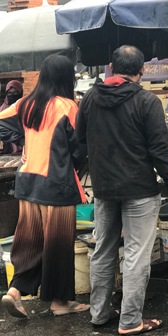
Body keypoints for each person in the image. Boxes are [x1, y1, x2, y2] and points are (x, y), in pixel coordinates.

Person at [76, 45, 168, 335]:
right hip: (139, 188)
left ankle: (99, 314)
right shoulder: (147, 101)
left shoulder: (90, 98)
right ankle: (130, 322)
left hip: (103, 187)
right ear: (142, 71)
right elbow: (160, 151)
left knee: (103, 250)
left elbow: (79, 139)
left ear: (111, 66)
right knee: (137, 254)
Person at [0, 55, 89, 318]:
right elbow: (80, 145)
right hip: (56, 183)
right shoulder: (67, 106)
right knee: (58, 244)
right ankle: (59, 303)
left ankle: (14, 292)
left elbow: (1, 122)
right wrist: (73, 160)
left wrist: (24, 140)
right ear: (66, 78)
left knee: (30, 241)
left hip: (27, 181)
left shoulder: (25, 103)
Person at [0, 80, 24, 154]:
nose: (12, 95)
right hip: (7, 146)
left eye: (15, 92)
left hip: (24, 144)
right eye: (9, 93)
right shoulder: (2, 109)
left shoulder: (24, 106)